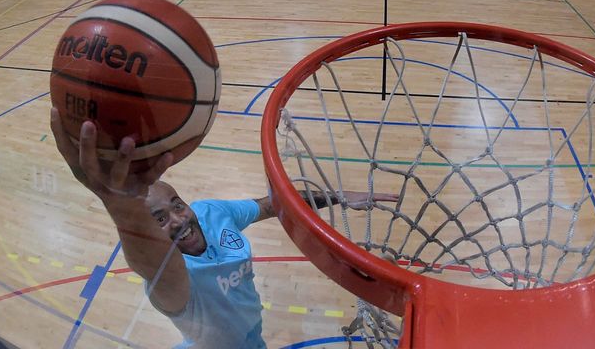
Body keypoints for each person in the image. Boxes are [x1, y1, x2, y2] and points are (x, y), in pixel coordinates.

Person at [50, 109, 397, 348]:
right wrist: (118, 203)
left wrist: (338, 196)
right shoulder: (172, 282)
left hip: (252, 335)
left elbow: (272, 204)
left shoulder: (211, 213)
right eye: (159, 219)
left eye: (177, 205)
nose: (178, 219)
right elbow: (151, 262)